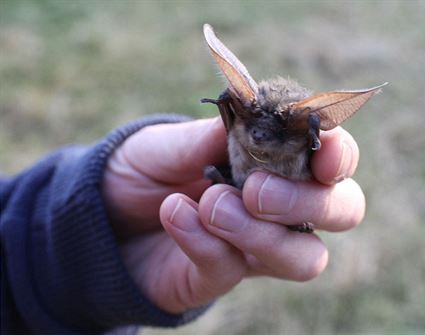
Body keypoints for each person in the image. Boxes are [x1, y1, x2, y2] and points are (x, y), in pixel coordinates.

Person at [0, 114, 365, 334]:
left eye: (272, 132)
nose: (258, 137)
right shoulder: (241, 124)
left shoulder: (305, 137)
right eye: (253, 127)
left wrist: (96, 216)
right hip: (235, 185)